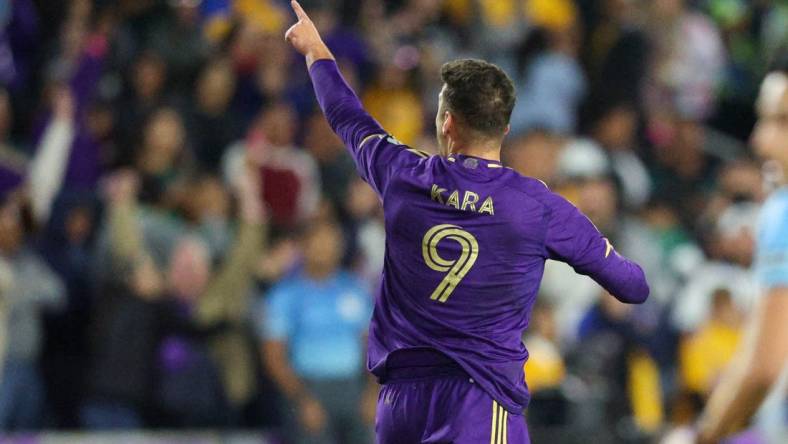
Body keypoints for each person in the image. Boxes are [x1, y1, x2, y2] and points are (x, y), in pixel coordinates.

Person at [284, 1, 650, 442]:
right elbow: (633, 286)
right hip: (478, 401)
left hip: (399, 405)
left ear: (447, 123)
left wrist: (316, 52)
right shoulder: (537, 205)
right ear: (506, 129)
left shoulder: (402, 174)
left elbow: (346, 115)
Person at [696, 62, 788, 443]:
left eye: (783, 122)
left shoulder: (782, 212)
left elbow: (761, 369)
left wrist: (700, 436)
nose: (761, 141)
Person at [259, 218, 375, 443]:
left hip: (353, 389)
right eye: (318, 240)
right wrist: (302, 400)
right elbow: (273, 356)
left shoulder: (355, 289)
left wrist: (373, 393)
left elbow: (372, 346)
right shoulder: (285, 295)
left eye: (331, 241)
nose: (325, 247)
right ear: (303, 245)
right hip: (308, 388)